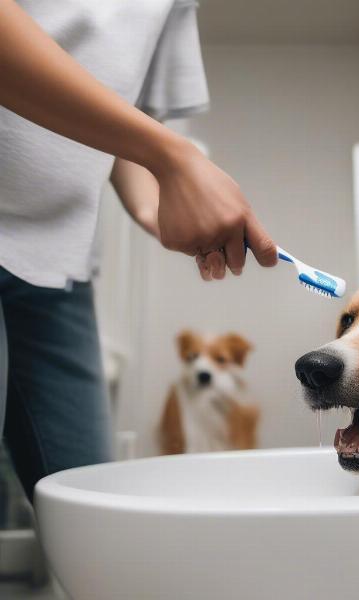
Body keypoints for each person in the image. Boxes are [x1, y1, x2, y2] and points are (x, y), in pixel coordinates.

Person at [0, 0, 277, 501]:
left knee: (94, 512)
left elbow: (122, 123)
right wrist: (172, 156)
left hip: (58, 266)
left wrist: (158, 208)